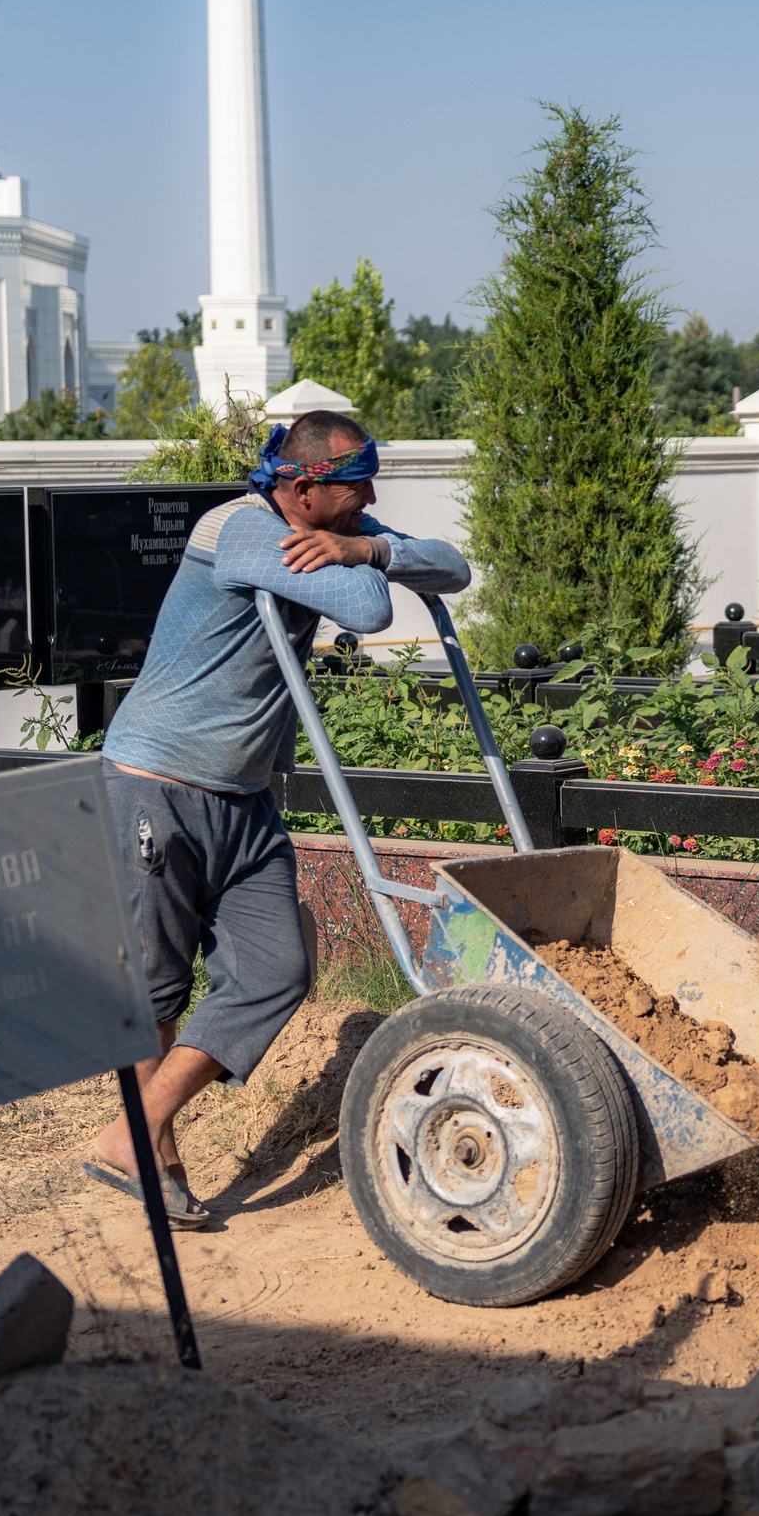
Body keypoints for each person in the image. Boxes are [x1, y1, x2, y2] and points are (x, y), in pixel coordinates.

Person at [81, 410, 470, 1227]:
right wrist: (367, 563)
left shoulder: (337, 526)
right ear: (301, 488)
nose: (369, 496)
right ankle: (157, 1150)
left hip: (245, 797)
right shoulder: (242, 530)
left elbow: (455, 567)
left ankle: (136, 1129)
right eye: (355, 485)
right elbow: (368, 611)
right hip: (156, 780)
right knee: (158, 984)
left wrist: (364, 545)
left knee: (276, 971)